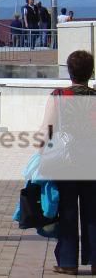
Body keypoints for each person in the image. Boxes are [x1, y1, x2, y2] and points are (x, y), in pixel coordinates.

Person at [38, 50, 96, 274]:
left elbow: (47, 128)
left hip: (66, 161)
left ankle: (68, 262)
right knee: (93, 212)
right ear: (91, 72)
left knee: (67, 210)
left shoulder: (59, 95)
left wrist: (40, 153)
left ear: (69, 71)